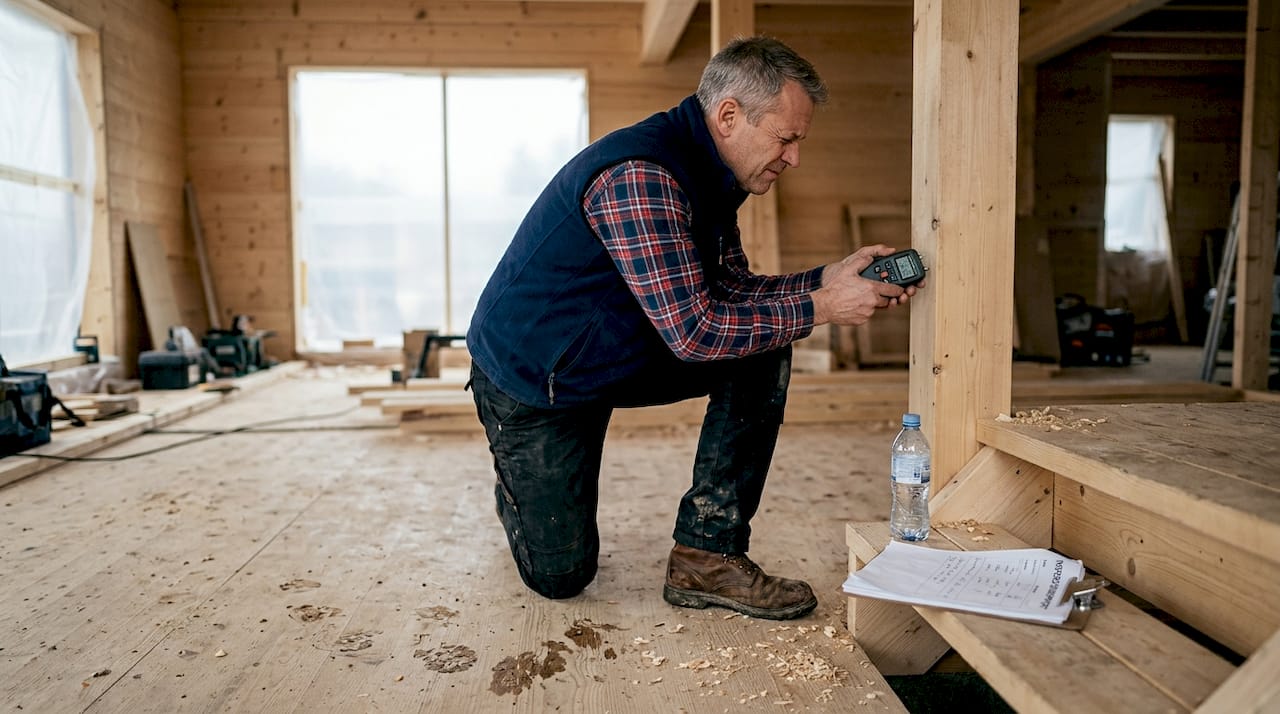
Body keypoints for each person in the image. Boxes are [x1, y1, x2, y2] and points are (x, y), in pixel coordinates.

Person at [466, 36, 920, 620]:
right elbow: (695, 333)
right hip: (535, 380)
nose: (794, 157)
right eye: (786, 138)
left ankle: (706, 556)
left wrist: (824, 280)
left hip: (608, 350)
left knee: (763, 345)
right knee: (562, 577)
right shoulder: (641, 176)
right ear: (729, 115)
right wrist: (825, 308)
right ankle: (518, 491)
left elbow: (731, 294)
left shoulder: (711, 176)